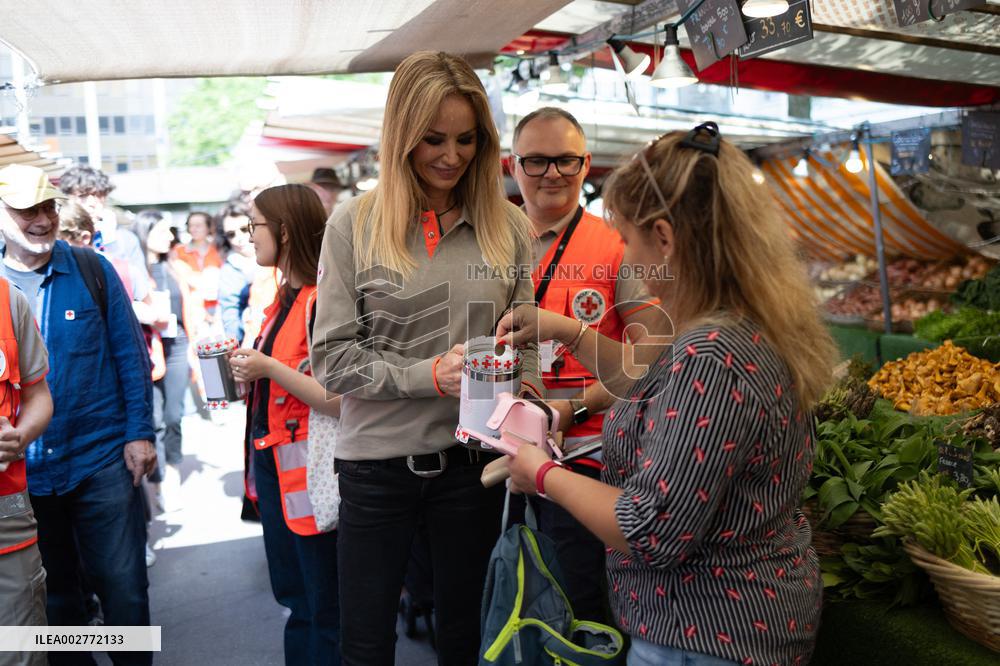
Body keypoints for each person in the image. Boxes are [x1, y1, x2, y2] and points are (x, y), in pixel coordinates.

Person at [497, 123, 836, 666]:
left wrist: (541, 473)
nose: (626, 258)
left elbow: (647, 527)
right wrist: (566, 331)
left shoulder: (713, 353)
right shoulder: (725, 326)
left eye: (627, 240)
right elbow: (644, 378)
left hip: (709, 633)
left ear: (665, 239)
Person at [310, 51, 541, 666]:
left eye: (467, 139)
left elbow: (526, 355)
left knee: (471, 637)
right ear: (401, 136)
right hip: (376, 469)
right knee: (364, 643)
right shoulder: (353, 223)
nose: (452, 155)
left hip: (476, 466)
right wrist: (427, 376)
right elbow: (330, 360)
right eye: (433, 139)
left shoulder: (510, 228)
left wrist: (536, 418)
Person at [510, 106, 665, 621]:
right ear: (514, 166)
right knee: (520, 598)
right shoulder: (490, 243)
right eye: (536, 161)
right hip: (502, 455)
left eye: (565, 160)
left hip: (593, 457)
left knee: (583, 602)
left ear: (586, 164)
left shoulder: (618, 245)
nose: (552, 173)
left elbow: (653, 352)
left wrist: (576, 405)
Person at [0, 163, 156, 666]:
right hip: (25, 474)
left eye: (46, 207)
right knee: (57, 599)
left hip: (100, 458)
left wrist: (140, 434)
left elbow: (130, 356)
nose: (41, 219)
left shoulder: (92, 268)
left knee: (125, 592)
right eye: (26, 211)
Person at [228, 184, 341, 665]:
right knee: (298, 601)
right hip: (277, 471)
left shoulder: (321, 300)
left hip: (310, 478)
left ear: (285, 230)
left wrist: (268, 368)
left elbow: (339, 401)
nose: (248, 234)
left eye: (254, 224)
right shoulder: (284, 297)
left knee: (323, 608)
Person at [0, 192, 54, 666]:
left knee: (22, 651)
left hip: (8, 521)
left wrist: (21, 434)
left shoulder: (8, 300)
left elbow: (37, 395)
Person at [58, 164, 150, 302]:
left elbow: (141, 291)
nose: (91, 203)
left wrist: (111, 241)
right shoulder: (58, 236)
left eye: (97, 195)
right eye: (82, 196)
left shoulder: (125, 239)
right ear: (67, 199)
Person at [216, 202, 257, 342]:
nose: (239, 238)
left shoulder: (277, 256)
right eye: (231, 234)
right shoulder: (230, 269)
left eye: (245, 229)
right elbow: (230, 315)